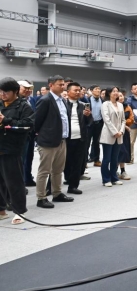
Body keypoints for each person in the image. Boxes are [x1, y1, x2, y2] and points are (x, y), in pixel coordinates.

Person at [35, 75, 74, 208]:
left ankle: (57, 193)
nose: (63, 87)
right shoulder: (45, 100)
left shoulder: (62, 100)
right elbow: (37, 121)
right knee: (44, 171)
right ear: (51, 85)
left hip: (62, 140)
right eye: (60, 84)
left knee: (58, 170)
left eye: (63, 84)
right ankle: (41, 197)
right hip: (48, 141)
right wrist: (42, 136)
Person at [0, 78, 34, 224]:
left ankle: (19, 211)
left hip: (12, 149)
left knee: (14, 182)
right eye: (0, 91)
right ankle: (1, 210)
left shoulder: (24, 106)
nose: (2, 94)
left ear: (15, 91)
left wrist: (6, 120)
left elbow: (27, 125)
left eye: (6, 92)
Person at [65, 82, 94, 195]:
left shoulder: (83, 105)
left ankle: (73, 186)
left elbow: (89, 122)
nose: (78, 92)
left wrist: (88, 116)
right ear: (68, 92)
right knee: (61, 163)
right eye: (75, 90)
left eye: (79, 90)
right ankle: (52, 187)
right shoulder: (63, 104)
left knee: (77, 164)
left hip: (80, 138)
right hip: (66, 139)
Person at [100, 87, 125, 187]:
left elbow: (123, 120)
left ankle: (114, 177)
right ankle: (106, 179)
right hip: (109, 134)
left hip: (119, 135)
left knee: (115, 158)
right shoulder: (105, 104)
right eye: (114, 91)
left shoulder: (120, 105)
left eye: (117, 91)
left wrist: (121, 131)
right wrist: (115, 132)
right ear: (109, 93)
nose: (116, 93)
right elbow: (106, 120)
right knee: (107, 159)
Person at [18, 80, 37, 187]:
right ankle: (20, 183)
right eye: (25, 88)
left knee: (29, 157)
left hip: (30, 134)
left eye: (29, 88)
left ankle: (27, 178)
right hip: (20, 135)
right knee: (20, 160)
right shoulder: (15, 102)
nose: (28, 90)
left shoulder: (31, 100)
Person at [117, 92, 133, 181]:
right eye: (118, 96)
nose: (120, 97)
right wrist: (125, 126)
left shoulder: (127, 107)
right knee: (119, 151)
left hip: (125, 133)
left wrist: (125, 123)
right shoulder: (113, 106)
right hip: (116, 132)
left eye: (121, 96)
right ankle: (114, 170)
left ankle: (122, 171)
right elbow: (115, 120)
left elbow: (131, 118)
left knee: (124, 152)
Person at [88, 85, 103, 166]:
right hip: (89, 124)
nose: (98, 90)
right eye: (96, 89)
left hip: (98, 123)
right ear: (91, 91)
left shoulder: (102, 100)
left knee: (96, 142)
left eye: (99, 89)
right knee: (87, 143)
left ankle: (96, 160)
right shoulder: (88, 100)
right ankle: (84, 161)